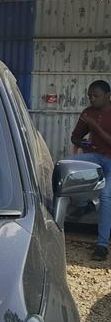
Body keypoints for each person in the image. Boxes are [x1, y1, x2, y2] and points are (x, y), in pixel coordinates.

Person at [71, 79, 111, 261]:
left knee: (106, 196)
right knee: (68, 166)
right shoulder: (88, 112)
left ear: (108, 96)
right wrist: (81, 142)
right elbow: (75, 136)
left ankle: (102, 245)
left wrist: (94, 126)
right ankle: (83, 205)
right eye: (89, 96)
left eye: (96, 96)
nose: (92, 99)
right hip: (95, 155)